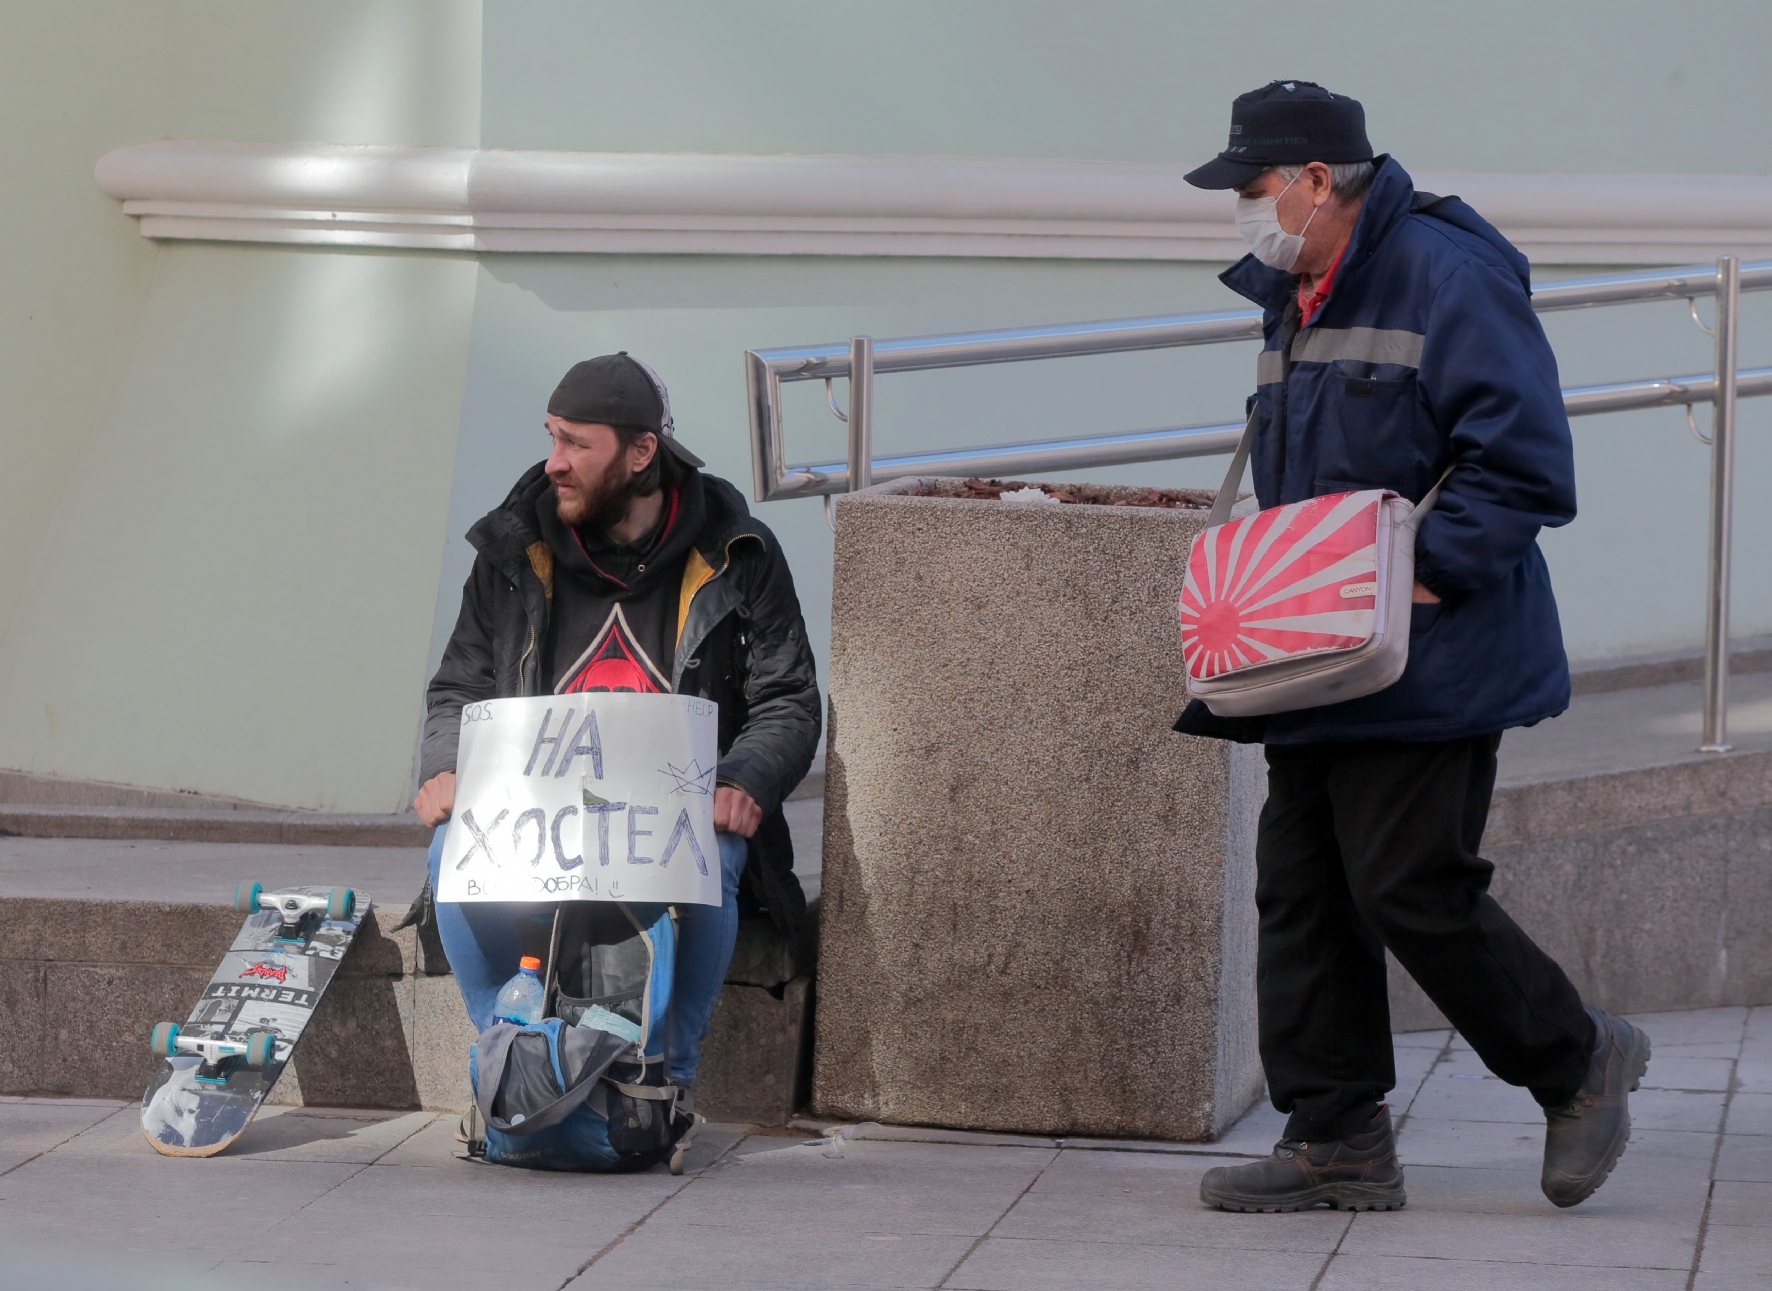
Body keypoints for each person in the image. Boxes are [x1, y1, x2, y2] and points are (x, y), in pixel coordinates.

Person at [1176, 82, 1650, 1212]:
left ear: (1313, 179)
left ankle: (1575, 1059)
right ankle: (1334, 1136)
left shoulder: (1448, 273)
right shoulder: (1295, 288)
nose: (1241, 211)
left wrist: (1420, 576)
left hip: (1432, 647)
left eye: (1250, 188)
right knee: (1300, 891)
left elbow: (1524, 461)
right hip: (1319, 648)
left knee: (1409, 886)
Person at [412, 352, 821, 1108]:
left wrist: (743, 781)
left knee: (718, 846)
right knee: (447, 849)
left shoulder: (739, 552)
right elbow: (458, 687)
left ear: (640, 453)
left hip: (672, 814)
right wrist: (443, 765)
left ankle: (661, 1083)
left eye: (576, 443)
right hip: (538, 818)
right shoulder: (511, 549)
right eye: (551, 438)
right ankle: (517, 1061)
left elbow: (790, 699)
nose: (554, 462)